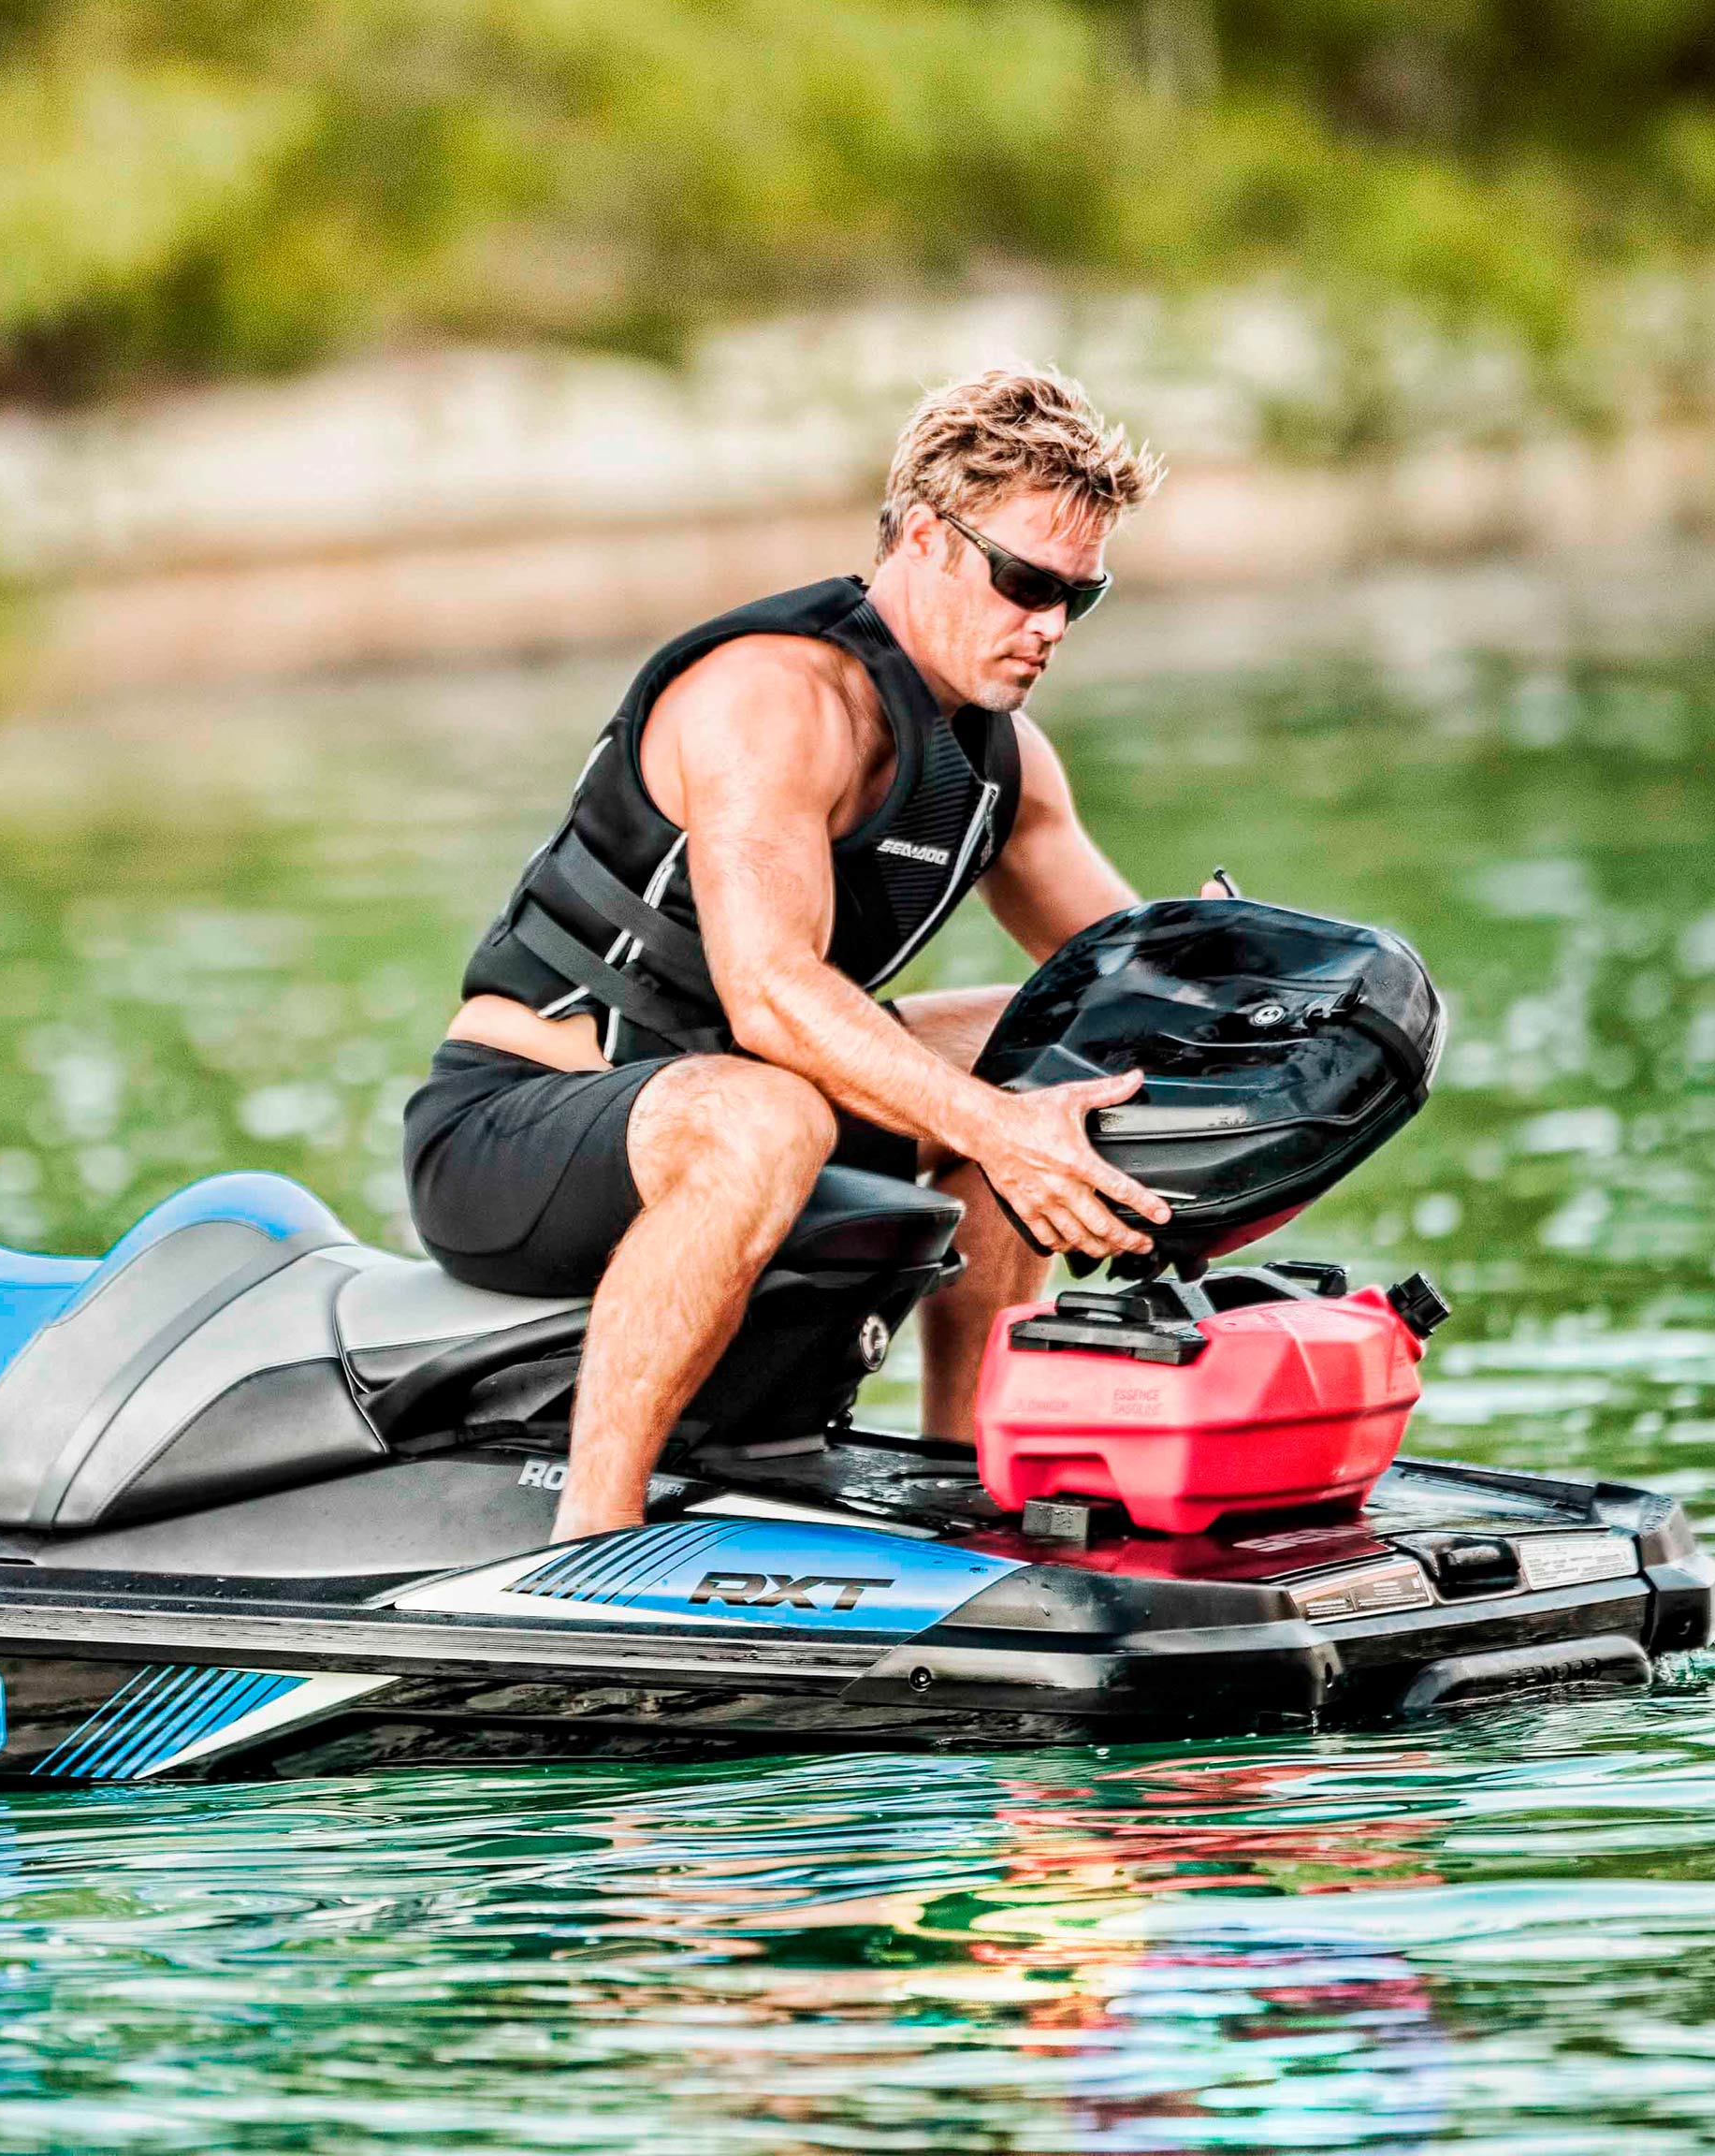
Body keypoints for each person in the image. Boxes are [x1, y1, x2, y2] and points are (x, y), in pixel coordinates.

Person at [404, 366, 1212, 1541]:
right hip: (515, 1128)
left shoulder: (1008, 764)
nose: (1046, 626)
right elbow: (769, 993)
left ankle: (970, 1478)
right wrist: (996, 1127)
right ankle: (590, 1537)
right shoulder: (771, 698)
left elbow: (1127, 978)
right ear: (929, 540)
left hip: (763, 1097)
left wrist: (1253, 1005)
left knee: (1050, 1051)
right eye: (1026, 583)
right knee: (772, 1115)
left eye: (1076, 601)